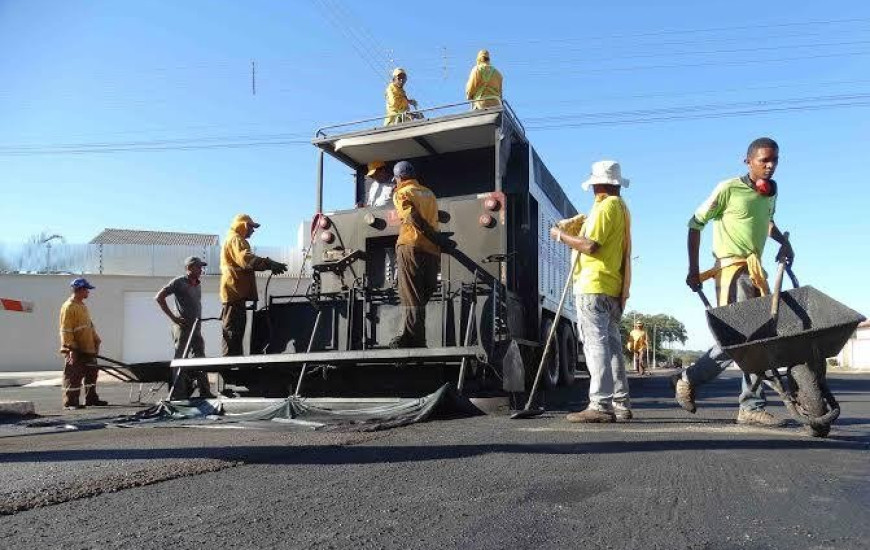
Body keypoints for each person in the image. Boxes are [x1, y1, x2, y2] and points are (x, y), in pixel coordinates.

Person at [675, 137, 793, 427]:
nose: (770, 166)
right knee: (743, 337)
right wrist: (694, 269)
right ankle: (701, 382)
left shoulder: (770, 193)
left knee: (755, 336)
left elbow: (766, 223)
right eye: (764, 160)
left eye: (775, 160)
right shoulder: (728, 188)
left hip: (755, 271)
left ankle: (747, 405)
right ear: (748, 161)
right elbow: (694, 223)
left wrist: (783, 242)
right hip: (731, 270)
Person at [550, 160, 633, 423]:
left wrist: (559, 235)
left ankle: (600, 404)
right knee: (612, 347)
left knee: (595, 345)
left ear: (597, 184)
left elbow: (590, 246)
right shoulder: (620, 207)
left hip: (593, 285)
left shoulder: (605, 207)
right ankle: (620, 403)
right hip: (612, 286)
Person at [389, 160, 442, 348]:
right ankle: (413, 334)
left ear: (399, 178)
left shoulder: (401, 192)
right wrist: (434, 237)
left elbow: (411, 216)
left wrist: (426, 231)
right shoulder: (430, 193)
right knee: (424, 291)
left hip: (410, 245)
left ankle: (414, 339)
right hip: (431, 249)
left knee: (411, 294)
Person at [220, 214, 288, 356]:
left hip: (236, 294)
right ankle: (230, 370)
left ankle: (233, 366)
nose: (253, 230)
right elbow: (246, 259)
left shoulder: (235, 239)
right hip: (234, 293)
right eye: (251, 227)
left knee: (235, 333)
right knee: (233, 333)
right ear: (243, 225)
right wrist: (268, 263)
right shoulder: (236, 239)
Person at [155, 256, 214, 399]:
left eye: (201, 267)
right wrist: (174, 317)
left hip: (196, 327)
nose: (201, 270)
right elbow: (159, 297)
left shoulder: (198, 284)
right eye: (198, 267)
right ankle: (178, 394)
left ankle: (204, 391)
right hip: (182, 327)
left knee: (200, 357)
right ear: (189, 268)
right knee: (180, 359)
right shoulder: (178, 282)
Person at [58, 278, 107, 410]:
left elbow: (88, 326)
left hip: (88, 347)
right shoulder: (69, 307)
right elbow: (66, 329)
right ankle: (71, 402)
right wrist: (71, 349)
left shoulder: (82, 306)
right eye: (87, 290)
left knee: (92, 373)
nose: (88, 293)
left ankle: (91, 398)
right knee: (74, 375)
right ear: (79, 290)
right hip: (76, 349)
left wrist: (96, 339)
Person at [364, 160, 398, 286]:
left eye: (375, 174)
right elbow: (370, 203)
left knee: (395, 253)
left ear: (383, 170)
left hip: (391, 223)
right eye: (371, 176)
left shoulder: (395, 183)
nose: (374, 177)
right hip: (374, 223)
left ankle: (395, 281)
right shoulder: (373, 186)